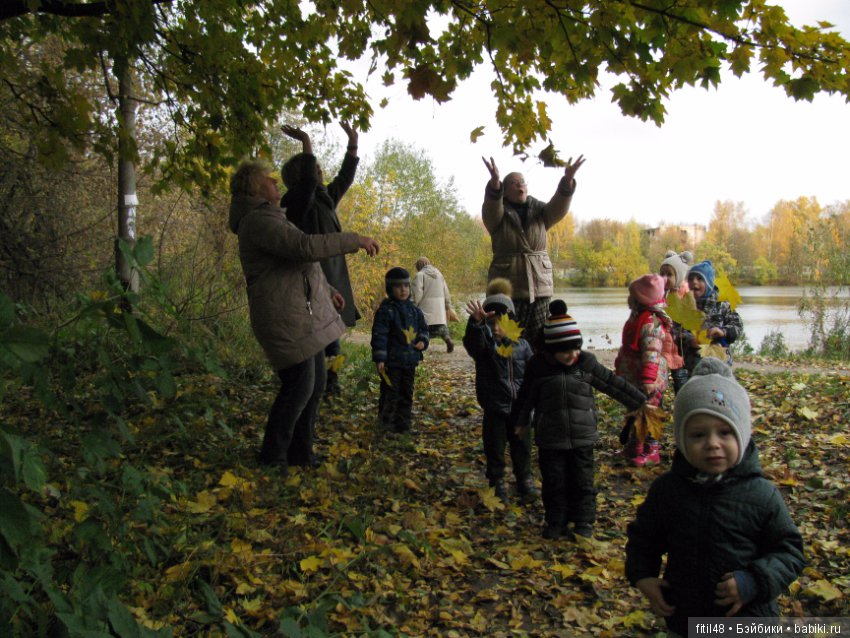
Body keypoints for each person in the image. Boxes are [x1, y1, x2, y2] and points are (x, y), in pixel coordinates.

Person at [626, 358, 805, 637]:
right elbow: (644, 539)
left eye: (724, 432)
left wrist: (754, 581)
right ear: (682, 439)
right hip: (686, 619)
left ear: (742, 435)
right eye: (698, 435)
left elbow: (789, 551)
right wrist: (643, 576)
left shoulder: (762, 495)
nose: (712, 443)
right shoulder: (668, 491)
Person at [228, 160, 379, 471]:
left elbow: (300, 263)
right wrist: (354, 240)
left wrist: (328, 290)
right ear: (254, 187)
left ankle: (301, 453)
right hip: (282, 315)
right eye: (268, 179)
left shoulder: (272, 216)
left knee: (316, 383)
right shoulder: (257, 221)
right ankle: (273, 457)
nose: (275, 183)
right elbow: (304, 247)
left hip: (298, 313)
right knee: (298, 387)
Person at [510, 300, 645, 540]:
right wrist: (519, 422)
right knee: (554, 483)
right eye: (565, 351)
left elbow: (612, 384)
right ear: (550, 350)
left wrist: (639, 401)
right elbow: (525, 396)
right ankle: (556, 521)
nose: (572, 355)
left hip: (582, 437)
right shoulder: (538, 368)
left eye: (575, 349)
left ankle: (583, 521)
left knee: (583, 481)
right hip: (551, 438)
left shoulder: (584, 364)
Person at [280, 122, 361, 396]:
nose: (320, 172)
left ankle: (331, 381)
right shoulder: (296, 203)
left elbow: (345, 177)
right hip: (313, 277)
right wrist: (306, 141)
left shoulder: (325, 199)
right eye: (315, 170)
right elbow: (307, 182)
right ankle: (322, 383)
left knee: (332, 331)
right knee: (320, 332)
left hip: (332, 274)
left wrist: (353, 143)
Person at [481, 154, 585, 349]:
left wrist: (567, 180)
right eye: (514, 183)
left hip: (540, 286)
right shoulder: (497, 216)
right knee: (507, 340)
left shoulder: (541, 212)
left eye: (522, 182)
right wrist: (495, 183)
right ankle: (509, 369)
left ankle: (536, 369)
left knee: (539, 341)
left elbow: (559, 206)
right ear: (505, 191)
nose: (520, 185)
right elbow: (491, 207)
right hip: (508, 289)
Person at [462, 278, 536, 503]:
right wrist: (475, 324)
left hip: (520, 410)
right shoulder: (485, 347)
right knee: (494, 448)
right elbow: (473, 344)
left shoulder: (523, 346)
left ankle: (524, 479)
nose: (495, 328)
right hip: (495, 407)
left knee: (522, 447)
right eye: (491, 323)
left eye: (500, 323)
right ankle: (497, 481)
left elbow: (533, 375)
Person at [615, 274, 673, 467]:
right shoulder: (638, 317)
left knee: (648, 415)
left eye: (631, 296)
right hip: (635, 377)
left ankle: (651, 449)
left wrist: (649, 378)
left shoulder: (651, 322)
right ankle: (635, 447)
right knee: (635, 413)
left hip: (649, 380)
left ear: (640, 300)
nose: (628, 299)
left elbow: (652, 351)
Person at [371, 267, 430, 433]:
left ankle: (403, 425)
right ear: (390, 289)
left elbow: (424, 329)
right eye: (398, 286)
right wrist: (380, 358)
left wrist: (423, 341)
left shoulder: (415, 310)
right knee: (390, 392)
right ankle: (386, 424)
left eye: (406, 286)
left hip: (410, 360)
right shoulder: (386, 310)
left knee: (406, 392)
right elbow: (379, 335)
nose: (403, 290)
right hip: (392, 361)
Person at [683, 260, 744, 372]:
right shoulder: (686, 307)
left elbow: (738, 326)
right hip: (694, 364)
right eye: (691, 279)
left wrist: (723, 331)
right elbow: (677, 330)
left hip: (721, 362)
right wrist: (689, 339)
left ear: (709, 283)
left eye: (699, 279)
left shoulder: (722, 305)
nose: (694, 282)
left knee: (720, 383)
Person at [659, 250, 694, 394]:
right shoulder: (660, 293)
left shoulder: (686, 293)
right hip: (662, 345)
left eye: (669, 274)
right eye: (662, 274)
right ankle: (656, 402)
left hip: (679, 346)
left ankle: (682, 401)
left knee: (680, 378)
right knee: (658, 378)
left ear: (679, 276)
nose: (665, 278)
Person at [412, 256, 455, 353]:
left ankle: (421, 346)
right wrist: (448, 305)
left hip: (425, 307)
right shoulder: (439, 274)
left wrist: (414, 305)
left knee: (424, 328)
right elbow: (446, 291)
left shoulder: (420, 275)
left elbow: (417, 293)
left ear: (419, 265)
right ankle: (448, 340)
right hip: (439, 308)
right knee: (441, 328)